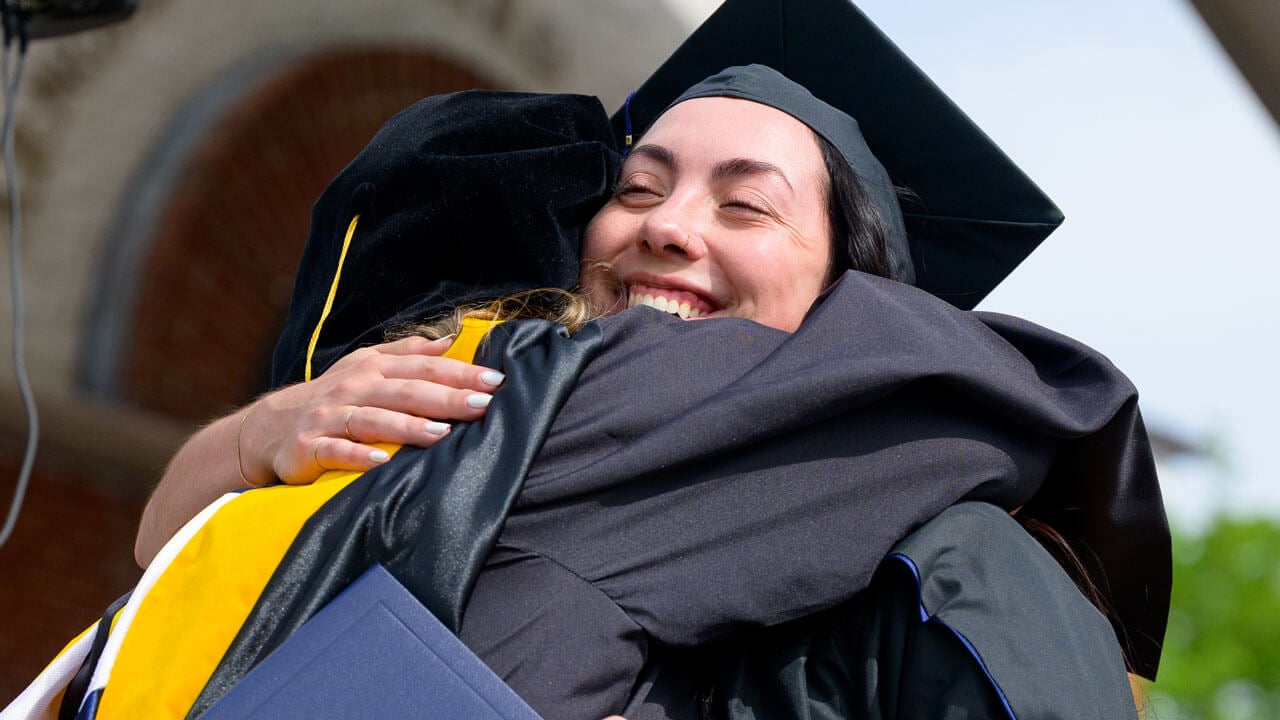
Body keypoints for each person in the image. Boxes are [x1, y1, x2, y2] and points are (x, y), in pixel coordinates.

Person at [98, 64, 1167, 720]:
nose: (665, 225)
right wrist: (258, 435)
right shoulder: (490, 389)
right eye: (636, 188)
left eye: (745, 210)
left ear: (852, 299)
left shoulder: (940, 553)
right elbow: (167, 560)